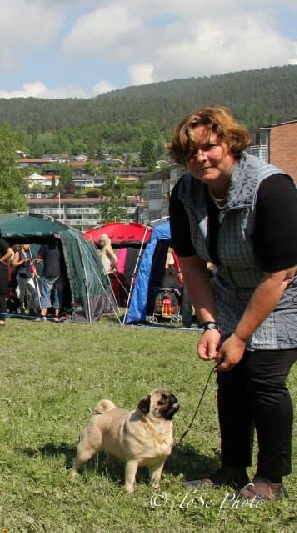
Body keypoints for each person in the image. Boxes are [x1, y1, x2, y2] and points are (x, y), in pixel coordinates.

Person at [169, 106, 297, 501]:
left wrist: (240, 337)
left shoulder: (271, 188)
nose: (200, 158)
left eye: (209, 147)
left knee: (264, 379)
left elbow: (278, 275)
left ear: (231, 143)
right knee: (230, 377)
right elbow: (191, 265)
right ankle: (231, 467)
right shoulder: (185, 193)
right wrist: (210, 325)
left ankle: (270, 479)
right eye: (190, 153)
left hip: (283, 292)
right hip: (229, 290)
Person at [36, 241, 65, 321]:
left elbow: (38, 258)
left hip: (48, 273)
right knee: (58, 294)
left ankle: (43, 315)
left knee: (45, 293)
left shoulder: (45, 245)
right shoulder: (61, 245)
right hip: (60, 273)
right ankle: (56, 315)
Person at [12, 243, 33, 313]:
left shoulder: (29, 253)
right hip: (21, 275)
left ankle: (31, 308)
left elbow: (30, 264)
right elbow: (14, 263)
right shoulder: (18, 253)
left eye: (28, 244)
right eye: (26, 244)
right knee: (22, 293)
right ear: (22, 245)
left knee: (33, 292)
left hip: (28, 275)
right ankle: (21, 308)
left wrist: (33, 262)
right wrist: (21, 261)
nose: (28, 245)